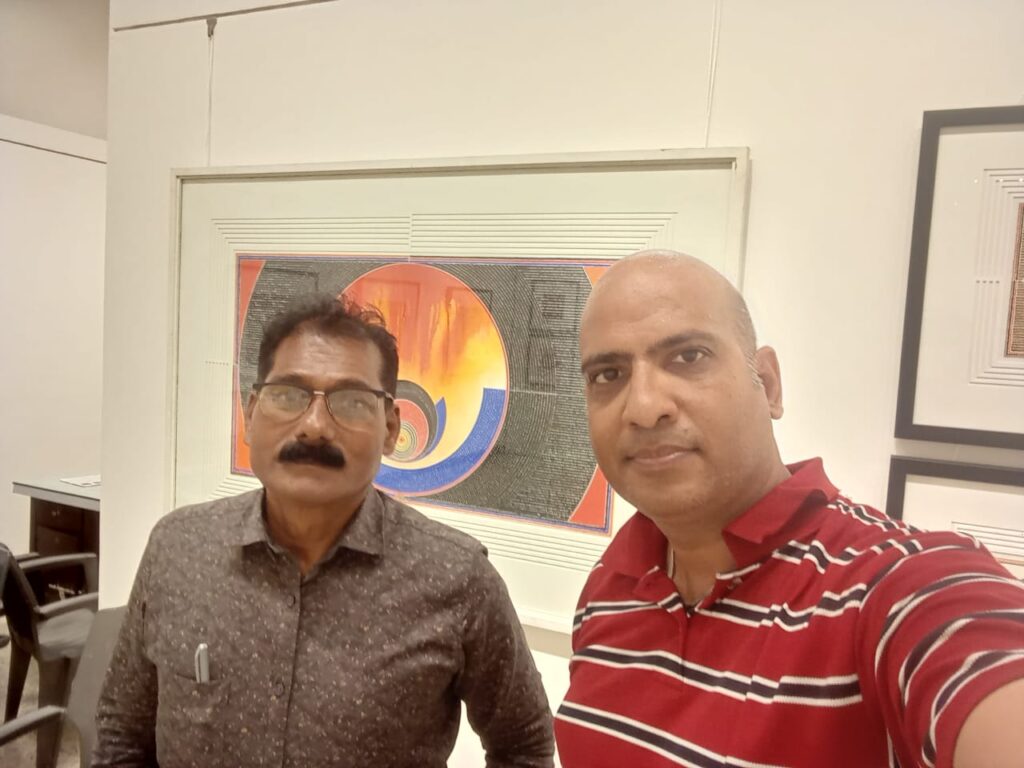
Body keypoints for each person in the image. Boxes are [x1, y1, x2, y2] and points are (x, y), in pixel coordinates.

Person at [554, 250, 1024, 768]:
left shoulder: (894, 586)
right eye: (608, 374)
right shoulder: (610, 587)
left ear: (769, 385)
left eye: (688, 357)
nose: (644, 408)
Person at [93, 294, 553, 768]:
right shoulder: (178, 548)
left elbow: (524, 746)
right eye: (287, 395)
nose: (314, 427)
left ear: (391, 428)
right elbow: (122, 733)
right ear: (250, 415)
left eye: (351, 402)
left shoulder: (457, 578)